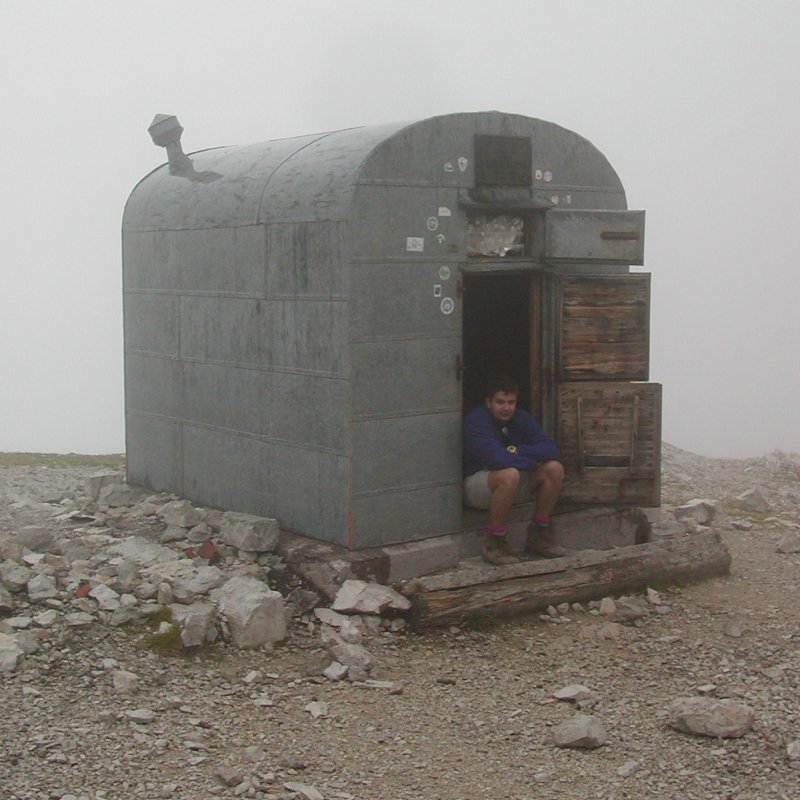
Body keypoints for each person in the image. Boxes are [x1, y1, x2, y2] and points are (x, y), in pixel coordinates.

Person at [463, 376, 567, 565]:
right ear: (488, 402)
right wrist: (530, 461)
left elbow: (550, 449)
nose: (506, 408)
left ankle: (539, 534)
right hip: (476, 486)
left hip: (513, 479)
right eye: (500, 402)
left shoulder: (520, 418)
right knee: (509, 473)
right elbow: (495, 459)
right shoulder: (476, 421)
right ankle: (494, 542)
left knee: (554, 468)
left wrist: (516, 450)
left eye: (511, 402)